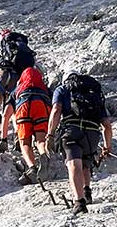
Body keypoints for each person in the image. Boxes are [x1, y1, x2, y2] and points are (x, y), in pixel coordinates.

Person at [48, 72, 112, 215]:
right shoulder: (93, 93)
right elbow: (106, 124)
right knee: (86, 161)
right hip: (92, 134)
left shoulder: (62, 89)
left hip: (72, 130)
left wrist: (50, 134)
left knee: (73, 164)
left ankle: (79, 202)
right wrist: (107, 146)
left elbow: (56, 110)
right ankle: (86, 191)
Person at [8, 67, 52, 184]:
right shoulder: (45, 89)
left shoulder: (17, 89)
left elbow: (6, 114)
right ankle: (43, 154)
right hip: (42, 107)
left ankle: (32, 168)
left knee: (25, 142)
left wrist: (3, 138)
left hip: (24, 108)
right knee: (40, 140)